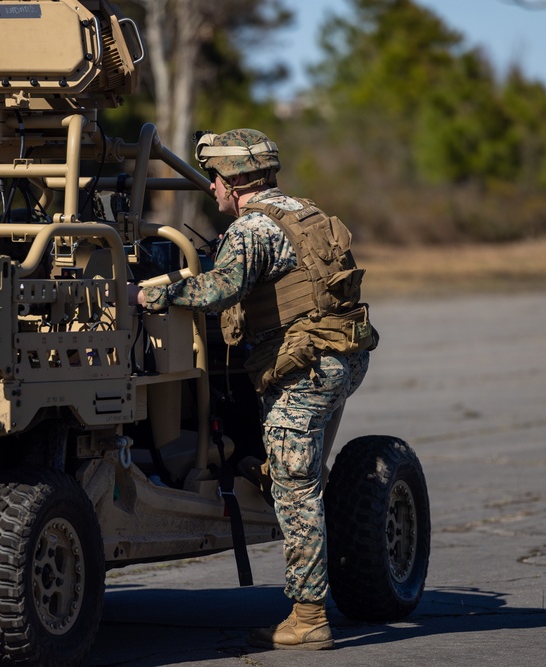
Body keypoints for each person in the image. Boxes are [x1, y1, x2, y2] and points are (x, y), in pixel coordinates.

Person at [130, 129, 377, 650]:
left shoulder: (253, 229)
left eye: (216, 178)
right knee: (293, 470)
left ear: (236, 180)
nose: (213, 189)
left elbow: (220, 290)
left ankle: (308, 618)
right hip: (344, 357)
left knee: (295, 487)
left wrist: (157, 294)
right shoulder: (303, 212)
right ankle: (269, 472)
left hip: (308, 366)